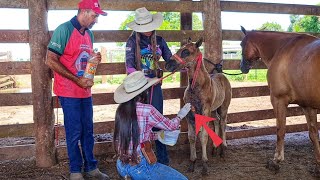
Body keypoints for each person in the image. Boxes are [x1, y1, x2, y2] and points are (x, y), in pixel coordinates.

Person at [45, 0, 109, 179]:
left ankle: (91, 168)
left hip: (84, 90)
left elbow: (85, 61)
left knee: (88, 130)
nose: (96, 20)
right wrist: (76, 80)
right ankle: (75, 170)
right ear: (84, 11)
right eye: (94, 15)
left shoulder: (89, 34)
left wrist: (94, 60)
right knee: (74, 131)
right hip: (68, 91)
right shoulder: (63, 30)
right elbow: (50, 60)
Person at [113, 71, 190, 179]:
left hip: (121, 164)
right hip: (140, 167)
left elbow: (137, 135)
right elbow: (171, 126)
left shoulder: (121, 110)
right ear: (144, 92)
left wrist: (157, 135)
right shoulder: (147, 110)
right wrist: (180, 115)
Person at [125, 7, 173, 165]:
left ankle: (162, 159)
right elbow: (129, 66)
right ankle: (138, 157)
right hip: (138, 87)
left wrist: (183, 63)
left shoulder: (160, 40)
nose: (147, 31)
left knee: (158, 120)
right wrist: (145, 75)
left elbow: (170, 60)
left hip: (156, 86)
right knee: (140, 122)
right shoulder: (132, 42)